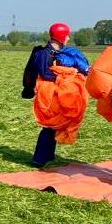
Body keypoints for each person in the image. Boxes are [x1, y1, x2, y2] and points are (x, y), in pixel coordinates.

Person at [28, 23, 89, 167]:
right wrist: (63, 79)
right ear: (61, 36)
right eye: (67, 35)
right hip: (48, 95)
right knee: (49, 126)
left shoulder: (61, 53)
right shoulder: (43, 53)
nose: (68, 38)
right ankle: (39, 159)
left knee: (56, 125)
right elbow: (44, 73)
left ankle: (48, 156)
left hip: (59, 93)